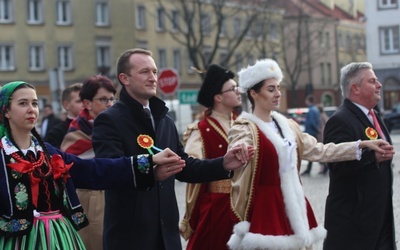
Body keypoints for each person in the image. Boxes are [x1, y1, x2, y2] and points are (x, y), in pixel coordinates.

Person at [91, 48, 253, 250]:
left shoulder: (164, 120)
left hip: (167, 237)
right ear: (124, 78)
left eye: (155, 72)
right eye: (144, 72)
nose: (153, 78)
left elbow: (185, 167)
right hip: (130, 237)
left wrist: (223, 163)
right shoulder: (109, 120)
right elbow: (110, 170)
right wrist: (151, 170)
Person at [224, 59, 393, 250]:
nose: (278, 94)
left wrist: (361, 144)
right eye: (271, 89)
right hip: (266, 206)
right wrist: (240, 148)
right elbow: (240, 140)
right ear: (254, 94)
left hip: (293, 204)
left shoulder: (289, 127)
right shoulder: (245, 127)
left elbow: (321, 150)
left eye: (278, 88)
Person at [0, 81, 187, 249]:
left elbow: (93, 171)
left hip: (57, 237)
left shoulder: (47, 152)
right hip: (17, 240)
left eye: (34, 103)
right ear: (6, 110)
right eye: (22, 103)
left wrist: (148, 162)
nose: (31, 109)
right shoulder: (3, 154)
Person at [323, 62, 396, 250]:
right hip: (353, 227)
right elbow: (336, 164)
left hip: (380, 218)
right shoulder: (339, 120)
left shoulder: (374, 115)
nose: (379, 85)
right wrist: (373, 158)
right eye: (372, 81)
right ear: (355, 88)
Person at [179, 64, 242, 249]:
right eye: (233, 88)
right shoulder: (200, 130)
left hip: (245, 204)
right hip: (217, 206)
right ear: (218, 97)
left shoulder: (245, 124)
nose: (238, 91)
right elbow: (192, 165)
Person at [61, 75, 116, 250]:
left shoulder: (118, 126)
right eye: (103, 99)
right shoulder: (77, 132)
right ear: (87, 103)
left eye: (112, 99)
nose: (109, 104)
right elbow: (67, 167)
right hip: (90, 200)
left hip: (118, 195)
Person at [44, 83, 83, 148]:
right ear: (66, 105)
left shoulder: (96, 127)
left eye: (86, 100)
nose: (84, 104)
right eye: (79, 101)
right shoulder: (56, 134)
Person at [301, 94, 320, 176]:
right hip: (314, 132)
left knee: (311, 151)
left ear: (308, 101)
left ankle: (309, 169)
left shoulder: (311, 110)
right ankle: (309, 169)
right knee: (313, 151)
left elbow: (311, 122)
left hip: (310, 132)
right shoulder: (315, 109)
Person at [317, 103, 329, 175]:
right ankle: (324, 167)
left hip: (321, 135)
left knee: (321, 152)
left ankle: (324, 167)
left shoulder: (321, 116)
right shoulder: (323, 115)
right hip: (322, 135)